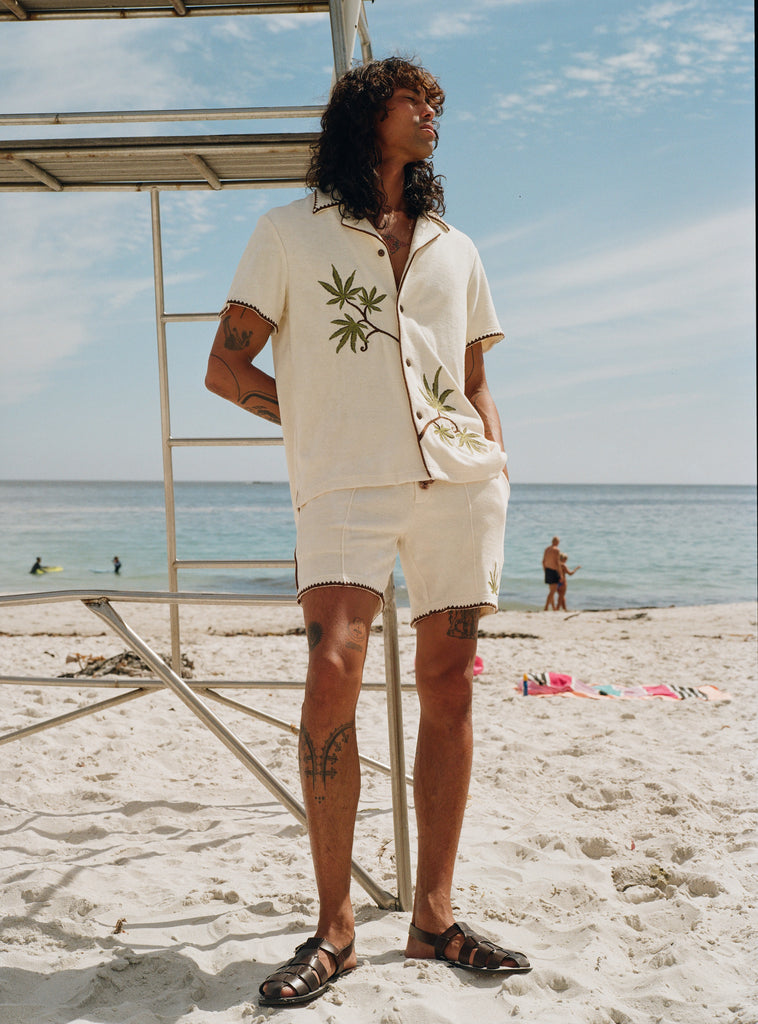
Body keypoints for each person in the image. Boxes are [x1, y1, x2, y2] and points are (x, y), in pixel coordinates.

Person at [205, 56, 531, 1008]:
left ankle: (432, 920)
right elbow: (228, 370)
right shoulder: (288, 233)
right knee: (330, 675)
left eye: (438, 102)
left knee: (449, 689)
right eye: (414, 99)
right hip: (344, 482)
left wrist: (494, 456)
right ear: (365, 114)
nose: (432, 112)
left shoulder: (454, 246)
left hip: (457, 485)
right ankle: (336, 928)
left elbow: (474, 379)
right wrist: (307, 419)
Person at [542, 536, 561, 610]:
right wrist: (561, 574)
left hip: (547, 570)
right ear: (557, 542)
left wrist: (545, 571)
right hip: (553, 570)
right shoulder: (556, 550)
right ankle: (546, 607)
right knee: (553, 591)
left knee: (551, 590)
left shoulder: (547, 549)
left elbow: (543, 561)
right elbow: (558, 563)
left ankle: (553, 608)